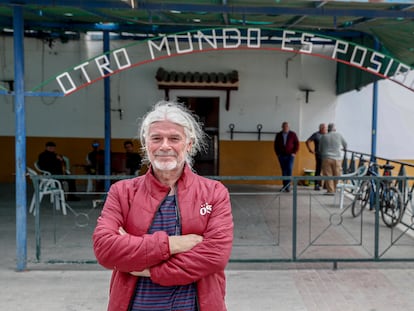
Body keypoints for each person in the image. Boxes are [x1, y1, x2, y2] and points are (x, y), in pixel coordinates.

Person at [93, 101, 234, 311]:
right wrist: (173, 244)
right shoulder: (122, 192)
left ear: (189, 144)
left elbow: (214, 257)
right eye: (156, 138)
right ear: (146, 144)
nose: (164, 146)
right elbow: (105, 250)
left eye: (174, 138)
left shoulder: (214, 192)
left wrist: (147, 269)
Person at [319, 123, 348, 195]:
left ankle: (331, 190)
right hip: (337, 159)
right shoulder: (339, 135)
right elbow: (345, 144)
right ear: (334, 129)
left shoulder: (323, 136)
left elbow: (320, 148)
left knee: (328, 175)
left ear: (328, 129)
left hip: (326, 158)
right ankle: (335, 189)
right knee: (337, 174)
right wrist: (344, 149)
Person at [273, 121, 299, 192]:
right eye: (284, 126)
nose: (285, 127)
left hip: (290, 155)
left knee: (289, 169)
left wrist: (294, 152)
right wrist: (278, 154)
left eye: (287, 126)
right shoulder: (278, 135)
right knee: (284, 171)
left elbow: (297, 144)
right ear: (282, 127)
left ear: (289, 127)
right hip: (281, 156)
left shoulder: (293, 134)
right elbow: (275, 145)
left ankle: (288, 186)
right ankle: (284, 186)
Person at [305, 123, 327, 191]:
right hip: (319, 155)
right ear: (321, 128)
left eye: (326, 128)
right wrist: (310, 150)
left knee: (326, 170)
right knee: (318, 169)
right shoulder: (316, 135)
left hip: (327, 155)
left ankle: (325, 185)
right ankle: (316, 184)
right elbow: (307, 141)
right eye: (324, 128)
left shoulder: (327, 135)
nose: (326, 130)